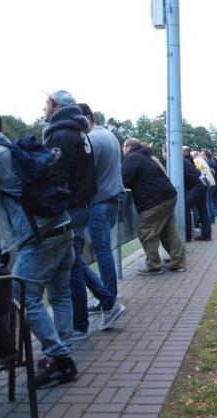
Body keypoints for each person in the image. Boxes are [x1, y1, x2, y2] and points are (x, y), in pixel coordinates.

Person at [0, 106, 77, 388]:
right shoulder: (14, 150)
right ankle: (61, 352)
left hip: (40, 239)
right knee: (60, 294)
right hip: (62, 227)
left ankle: (60, 360)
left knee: (23, 296)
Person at [43, 91, 108, 341]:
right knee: (75, 263)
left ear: (57, 107)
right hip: (81, 204)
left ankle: (80, 324)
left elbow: (53, 173)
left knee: (71, 269)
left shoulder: (61, 134)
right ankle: (107, 300)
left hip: (70, 207)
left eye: (47, 104)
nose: (43, 108)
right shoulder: (79, 132)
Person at [79, 103, 126, 326]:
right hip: (113, 200)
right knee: (105, 250)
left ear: (86, 118)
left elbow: (86, 174)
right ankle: (108, 298)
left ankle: (109, 299)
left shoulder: (92, 140)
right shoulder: (109, 135)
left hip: (99, 202)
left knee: (102, 251)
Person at [122, 138, 186, 275]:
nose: (123, 151)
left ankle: (153, 265)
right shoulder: (147, 157)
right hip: (168, 195)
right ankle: (178, 262)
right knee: (169, 230)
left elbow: (123, 180)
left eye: (123, 148)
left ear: (128, 147)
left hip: (154, 201)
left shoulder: (132, 158)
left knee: (146, 230)